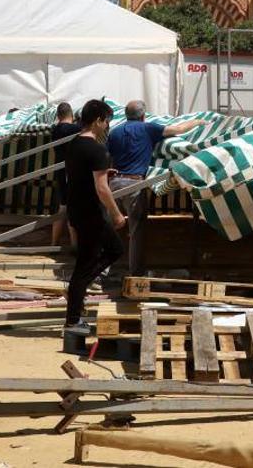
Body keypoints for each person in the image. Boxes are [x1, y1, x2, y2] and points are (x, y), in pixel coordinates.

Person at [107, 101, 206, 276]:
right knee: (136, 230)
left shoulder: (114, 132)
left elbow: (108, 156)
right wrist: (198, 122)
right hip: (134, 184)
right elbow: (178, 129)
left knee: (108, 228)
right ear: (143, 116)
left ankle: (101, 272)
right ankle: (136, 273)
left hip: (113, 183)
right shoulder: (148, 128)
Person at [65, 100, 126, 334]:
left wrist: (103, 171)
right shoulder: (98, 150)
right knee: (86, 265)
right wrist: (117, 214)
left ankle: (77, 290)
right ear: (98, 120)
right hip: (91, 213)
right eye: (106, 121)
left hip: (76, 210)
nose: (107, 126)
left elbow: (79, 174)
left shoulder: (74, 144)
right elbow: (102, 189)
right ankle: (73, 318)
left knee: (113, 250)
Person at [50, 102, 79, 248]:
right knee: (71, 208)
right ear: (71, 114)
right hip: (72, 172)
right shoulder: (74, 129)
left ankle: (54, 242)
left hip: (60, 171)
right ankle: (74, 245)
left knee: (62, 207)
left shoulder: (55, 130)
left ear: (58, 115)